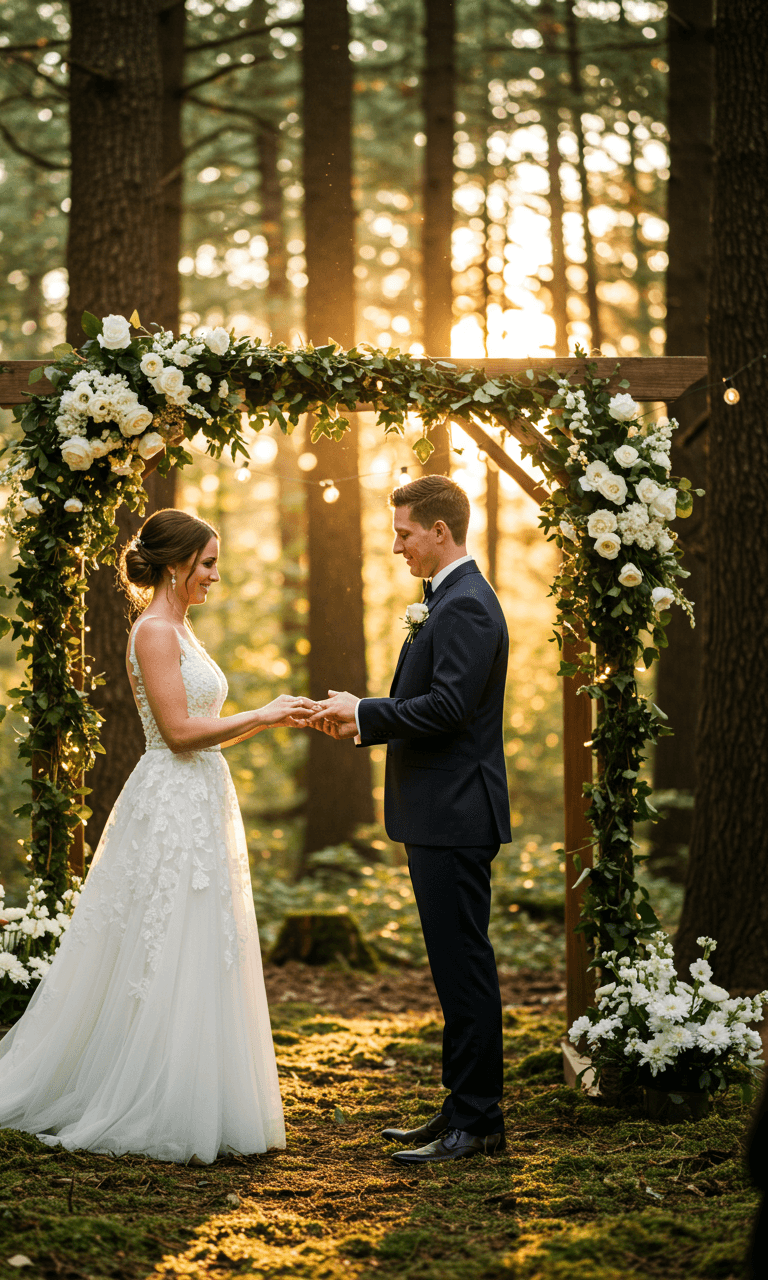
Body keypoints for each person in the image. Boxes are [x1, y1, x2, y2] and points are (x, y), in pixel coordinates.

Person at [0, 508, 316, 1165]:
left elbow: (204, 723)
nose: (216, 576)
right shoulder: (155, 632)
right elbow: (178, 733)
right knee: (166, 940)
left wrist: (268, 720)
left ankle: (202, 1093)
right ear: (175, 565)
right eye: (208, 564)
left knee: (202, 938)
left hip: (199, 797)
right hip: (169, 798)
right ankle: (153, 1096)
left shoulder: (183, 630)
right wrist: (266, 715)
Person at [309, 474, 511, 1165]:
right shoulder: (447, 600)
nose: (396, 546)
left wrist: (366, 712)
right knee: (452, 968)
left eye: (403, 534)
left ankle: (479, 1121)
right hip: (439, 813)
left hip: (456, 814)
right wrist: (364, 713)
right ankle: (460, 1107)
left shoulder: (466, 607)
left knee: (464, 969)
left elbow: (449, 709)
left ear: (440, 532)